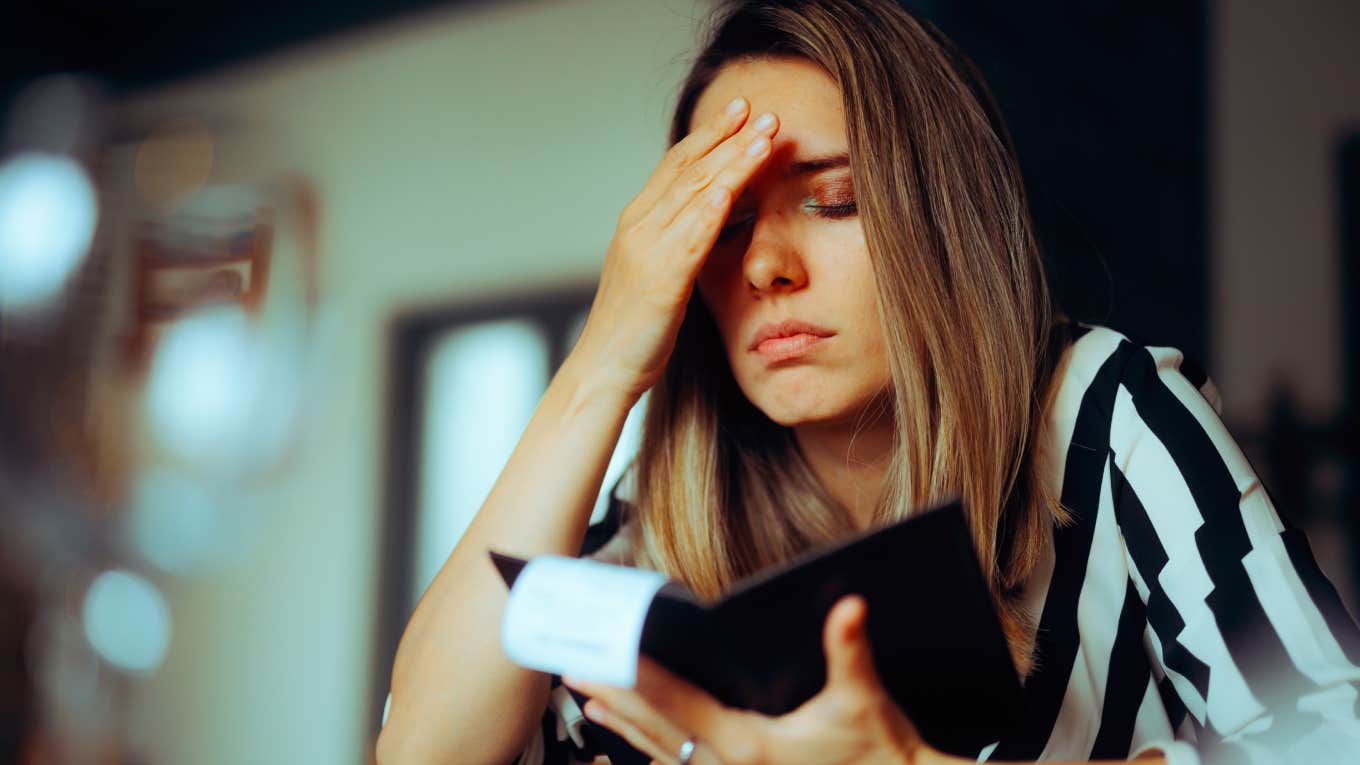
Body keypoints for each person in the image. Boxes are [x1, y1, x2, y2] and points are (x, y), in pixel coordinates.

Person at [374, 1, 1360, 764]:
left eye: (834, 200)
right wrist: (600, 364)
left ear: (941, 219)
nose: (765, 268)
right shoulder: (644, 543)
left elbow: (1329, 735)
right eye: (718, 227)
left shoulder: (1105, 415)